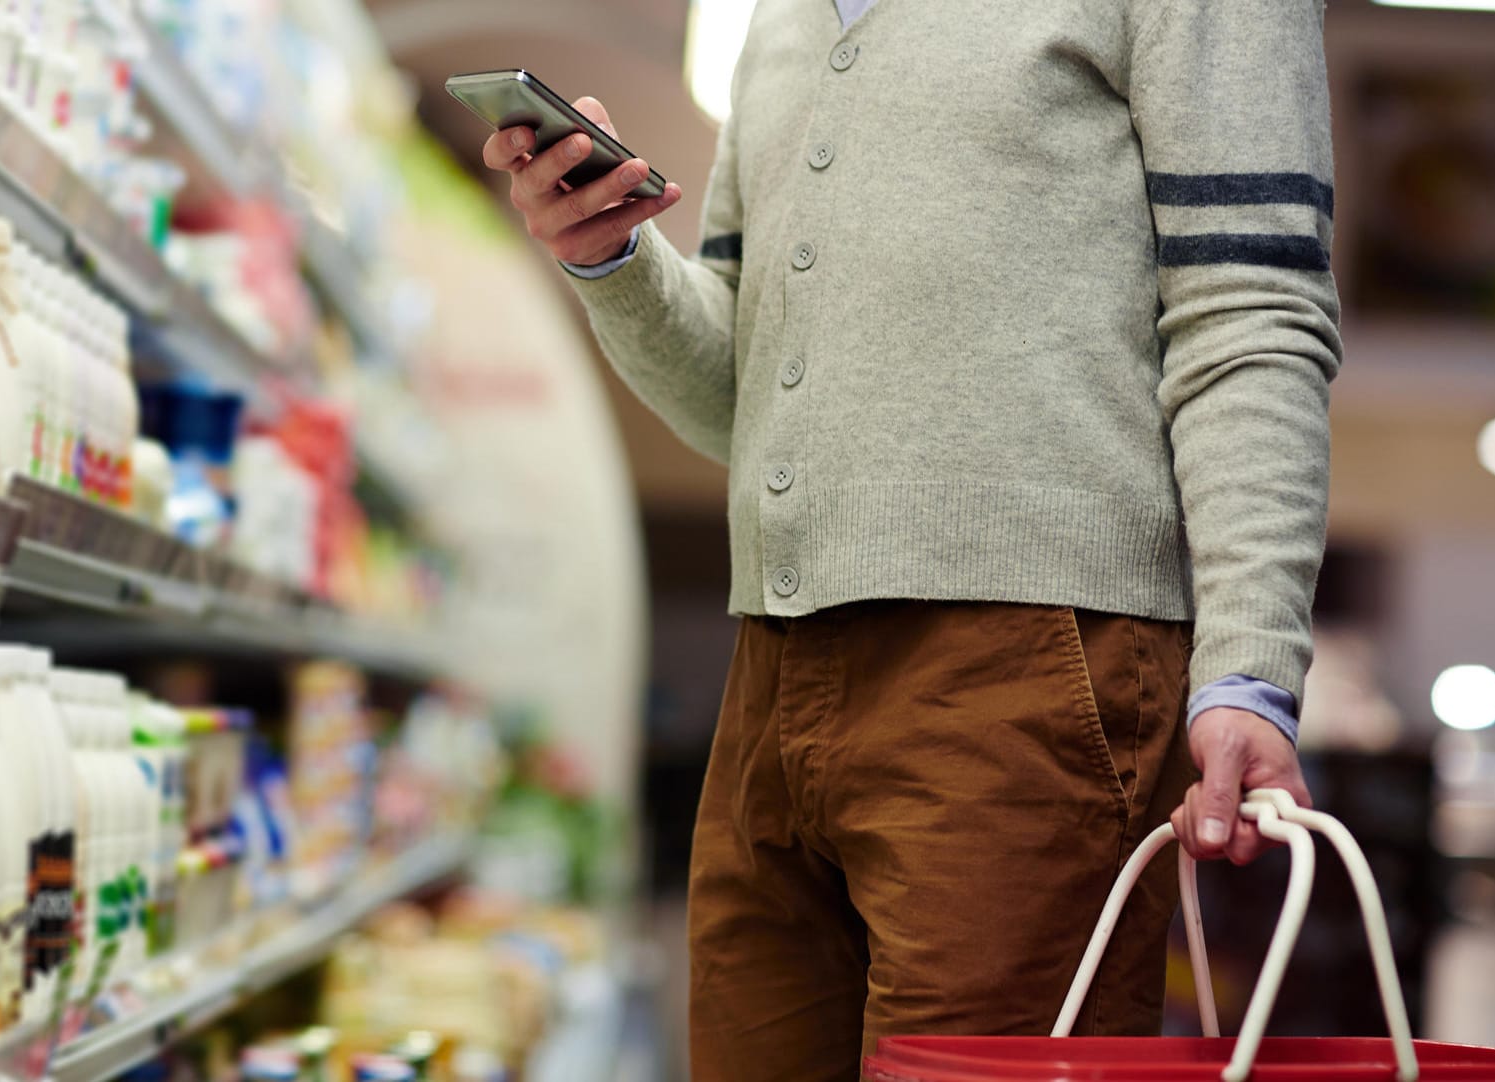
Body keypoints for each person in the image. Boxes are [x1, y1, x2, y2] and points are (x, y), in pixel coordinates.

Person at [482, 0, 1339, 1077]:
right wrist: (613, 258)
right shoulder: (782, 17)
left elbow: (1249, 310)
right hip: (771, 681)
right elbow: (747, 407)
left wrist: (1251, 663)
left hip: (1030, 679)